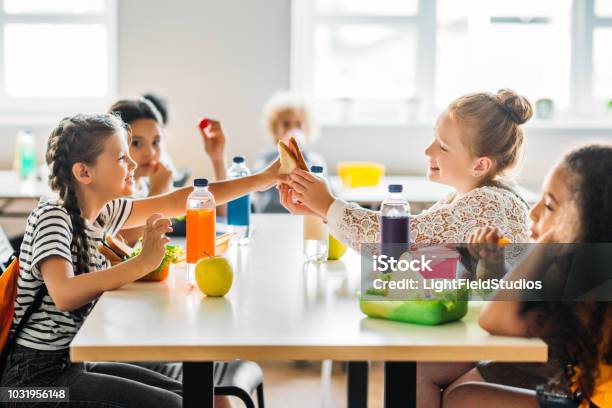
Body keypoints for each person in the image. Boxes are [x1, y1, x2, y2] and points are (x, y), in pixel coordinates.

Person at [0, 113, 283, 407]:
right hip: (30, 386)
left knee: (191, 396)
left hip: (68, 367)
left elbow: (180, 200)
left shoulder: (102, 212)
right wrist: (140, 263)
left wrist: (263, 179)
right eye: (122, 158)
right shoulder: (53, 217)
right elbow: (64, 293)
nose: (133, 164)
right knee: (171, 405)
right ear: (84, 173)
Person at [420, 145, 612, 408]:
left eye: (549, 206)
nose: (532, 213)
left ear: (592, 225)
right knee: (424, 371)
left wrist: (549, 241)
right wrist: (493, 263)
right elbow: (510, 307)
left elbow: (495, 318)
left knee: (464, 398)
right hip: (575, 386)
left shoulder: (592, 295)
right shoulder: (572, 270)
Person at [280, 89, 533, 247]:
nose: (428, 151)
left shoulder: (487, 204)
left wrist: (327, 205)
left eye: (443, 146)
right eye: (434, 138)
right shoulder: (461, 199)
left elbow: (400, 241)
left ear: (480, 165)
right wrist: (321, 209)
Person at [254, 91, 326, 213]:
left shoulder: (315, 160)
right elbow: (258, 186)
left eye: (298, 124)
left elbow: (326, 194)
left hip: (303, 217)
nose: (293, 129)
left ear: (307, 128)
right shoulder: (266, 158)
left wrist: (299, 154)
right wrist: (286, 154)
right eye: (286, 124)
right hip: (271, 215)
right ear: (275, 130)